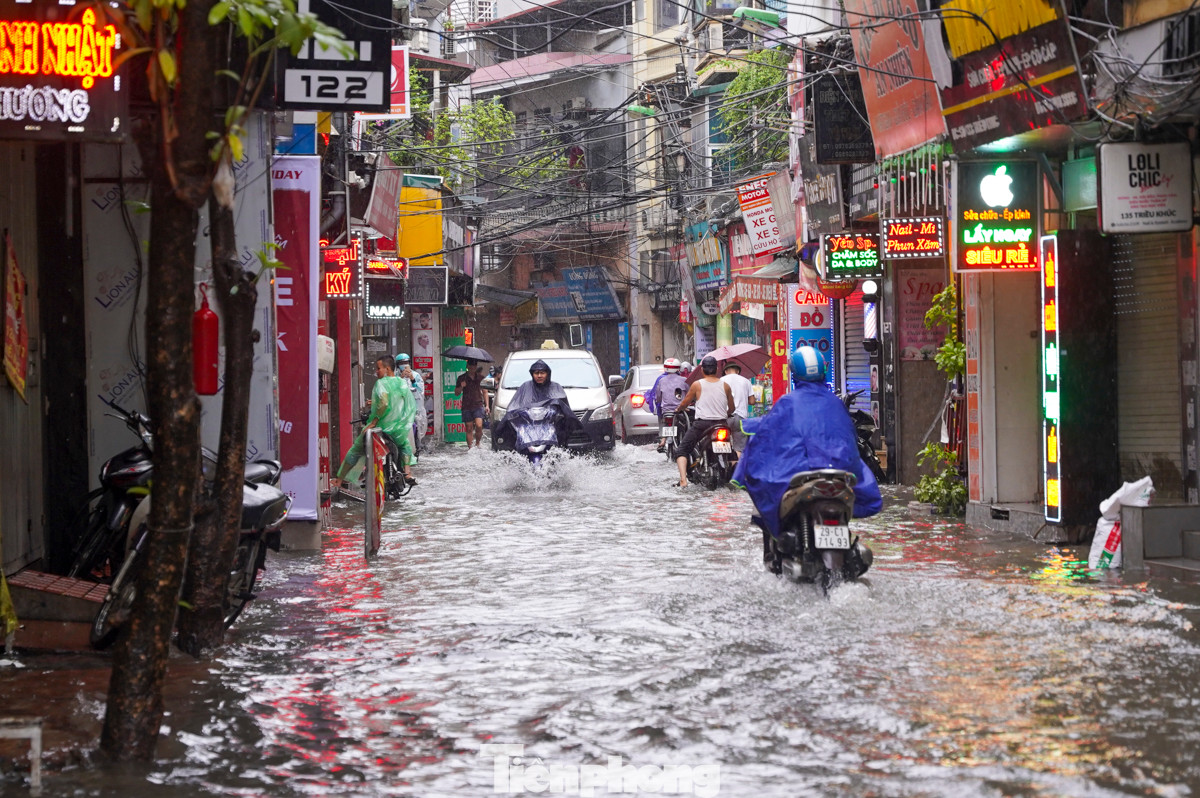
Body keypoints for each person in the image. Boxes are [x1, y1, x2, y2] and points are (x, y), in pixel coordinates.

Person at [731, 346, 881, 540]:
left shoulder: (788, 402)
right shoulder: (835, 403)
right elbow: (849, 437)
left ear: (794, 373)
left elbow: (768, 435)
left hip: (798, 472)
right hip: (839, 470)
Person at [331, 355, 417, 491]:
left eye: (378, 368)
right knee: (405, 445)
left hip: (380, 428)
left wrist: (374, 422)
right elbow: (407, 404)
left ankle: (340, 479)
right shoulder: (401, 383)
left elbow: (384, 403)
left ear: (387, 369)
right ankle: (407, 473)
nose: (376, 371)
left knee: (356, 450)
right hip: (398, 430)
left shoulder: (381, 383)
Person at [491, 359, 582, 449]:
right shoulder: (525, 387)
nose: (539, 376)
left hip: (550, 426)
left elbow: (563, 406)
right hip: (527, 427)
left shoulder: (556, 387)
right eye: (536, 373)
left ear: (547, 374)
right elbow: (515, 405)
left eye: (542, 373)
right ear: (532, 374)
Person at [673, 356, 735, 488]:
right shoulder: (725, 386)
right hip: (722, 423)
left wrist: (679, 409)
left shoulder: (697, 384)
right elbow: (732, 408)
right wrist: (726, 413)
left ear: (702, 370)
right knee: (733, 454)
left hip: (702, 425)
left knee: (682, 450)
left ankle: (683, 480)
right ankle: (735, 479)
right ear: (717, 369)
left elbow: (685, 403)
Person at [645, 358, 688, 454]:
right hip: (681, 411)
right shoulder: (684, 380)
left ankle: (663, 440)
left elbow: (658, 397)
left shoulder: (661, 381)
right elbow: (689, 394)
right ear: (678, 368)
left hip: (666, 411)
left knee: (665, 423)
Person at [454, 358, 491, 450]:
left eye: (474, 366)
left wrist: (487, 405)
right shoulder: (461, 378)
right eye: (470, 366)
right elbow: (456, 393)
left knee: (479, 425)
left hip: (478, 405)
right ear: (467, 366)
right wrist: (461, 386)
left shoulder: (481, 378)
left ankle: (477, 443)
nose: (472, 368)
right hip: (466, 406)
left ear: (476, 366)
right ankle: (470, 448)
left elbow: (485, 391)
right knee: (469, 427)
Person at [395, 353, 427, 455]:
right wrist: (401, 378)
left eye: (406, 362)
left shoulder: (416, 375)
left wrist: (412, 379)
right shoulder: (395, 376)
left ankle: (417, 448)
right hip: (400, 410)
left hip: (414, 409)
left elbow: (420, 392)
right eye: (401, 363)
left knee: (415, 427)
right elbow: (393, 390)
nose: (404, 365)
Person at [720, 362, 755, 454]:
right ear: (738, 371)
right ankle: (738, 461)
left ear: (726, 371)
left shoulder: (721, 381)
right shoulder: (746, 381)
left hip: (725, 416)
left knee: (722, 445)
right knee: (739, 448)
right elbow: (752, 401)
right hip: (741, 417)